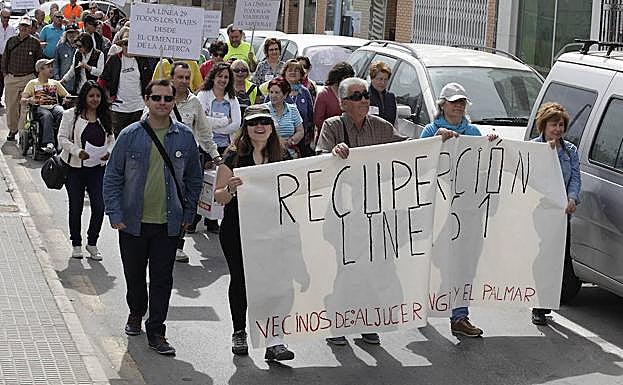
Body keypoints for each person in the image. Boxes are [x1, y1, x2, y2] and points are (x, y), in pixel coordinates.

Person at [103, 79, 203, 355]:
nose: (162, 103)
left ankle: (157, 331)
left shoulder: (184, 137)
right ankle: (136, 311)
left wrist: (189, 213)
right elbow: (112, 176)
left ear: (173, 102)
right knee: (134, 276)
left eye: (167, 99)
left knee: (162, 278)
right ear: (146, 100)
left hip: (169, 224)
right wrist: (115, 213)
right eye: (156, 98)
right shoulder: (129, 135)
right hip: (133, 222)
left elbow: (194, 178)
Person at [316, 77, 404, 346]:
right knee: (345, 269)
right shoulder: (332, 127)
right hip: (342, 214)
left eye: (365, 94)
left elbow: (410, 149)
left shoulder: (381, 127)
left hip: (374, 214)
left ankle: (367, 321)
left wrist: (439, 138)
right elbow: (319, 160)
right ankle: (338, 322)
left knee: (372, 267)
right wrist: (333, 152)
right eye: (356, 96)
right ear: (343, 103)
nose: (364, 99)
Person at [215, 104, 295, 360]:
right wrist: (231, 190)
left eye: (265, 122)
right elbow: (219, 196)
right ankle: (239, 331)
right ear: (246, 128)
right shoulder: (233, 157)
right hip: (237, 229)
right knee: (240, 280)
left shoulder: (284, 157)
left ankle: (273, 340)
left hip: (273, 229)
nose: (259, 127)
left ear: (272, 127)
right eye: (253, 123)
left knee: (272, 283)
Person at [420, 82, 498, 337]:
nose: (458, 106)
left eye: (462, 102)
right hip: (439, 210)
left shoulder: (473, 131)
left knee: (464, 261)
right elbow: (421, 163)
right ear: (443, 104)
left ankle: (460, 316)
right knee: (436, 260)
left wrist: (492, 145)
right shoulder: (430, 130)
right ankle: (424, 304)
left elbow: (483, 164)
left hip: (465, 209)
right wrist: (436, 141)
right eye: (454, 101)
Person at [530, 102, 581, 326]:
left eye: (561, 125)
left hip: (561, 217)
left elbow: (576, 179)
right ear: (544, 125)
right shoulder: (533, 148)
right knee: (542, 258)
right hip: (538, 214)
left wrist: (572, 198)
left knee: (558, 259)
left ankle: (547, 300)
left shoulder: (570, 151)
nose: (557, 129)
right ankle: (539, 305)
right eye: (553, 124)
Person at [168, 61, 222, 262]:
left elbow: (205, 134)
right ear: (172, 78)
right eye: (179, 77)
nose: (183, 81)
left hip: (189, 163)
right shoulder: (162, 98)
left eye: (186, 77)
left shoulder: (195, 102)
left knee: (185, 204)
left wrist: (216, 157)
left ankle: (178, 244)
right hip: (163, 162)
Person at [58, 80, 113, 260]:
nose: (95, 99)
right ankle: (76, 243)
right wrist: (77, 151)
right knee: (76, 207)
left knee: (99, 206)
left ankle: (92, 243)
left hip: (97, 169)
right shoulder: (70, 115)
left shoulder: (105, 116)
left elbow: (112, 139)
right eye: (91, 96)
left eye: (98, 96)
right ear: (84, 97)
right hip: (75, 169)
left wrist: (109, 153)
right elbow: (62, 139)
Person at [195, 62, 241, 233]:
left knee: (216, 184)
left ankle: (212, 220)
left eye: (226, 77)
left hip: (224, 147)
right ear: (213, 77)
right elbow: (201, 122)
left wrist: (212, 122)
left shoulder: (233, 99)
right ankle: (195, 217)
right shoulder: (203, 95)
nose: (222, 80)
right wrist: (223, 121)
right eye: (220, 76)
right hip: (204, 145)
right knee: (199, 183)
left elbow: (236, 124)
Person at [98, 28, 154, 137]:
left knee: (137, 136)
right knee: (119, 137)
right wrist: (106, 97)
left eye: (131, 44)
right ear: (122, 45)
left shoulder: (142, 60)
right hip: (118, 108)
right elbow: (102, 80)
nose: (128, 47)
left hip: (139, 106)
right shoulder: (114, 59)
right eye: (125, 44)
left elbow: (149, 81)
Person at [3, 16, 42, 142]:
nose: (24, 28)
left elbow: (39, 62)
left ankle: (22, 133)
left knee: (25, 107)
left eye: (27, 26)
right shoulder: (11, 41)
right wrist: (5, 75)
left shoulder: (35, 42)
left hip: (28, 78)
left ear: (30, 28)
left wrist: (36, 78)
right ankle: (12, 129)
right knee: (11, 107)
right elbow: (5, 59)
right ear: (19, 27)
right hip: (12, 78)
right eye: (22, 26)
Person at [21, 58, 68, 153]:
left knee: (63, 113)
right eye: (48, 67)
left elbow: (66, 95)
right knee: (47, 115)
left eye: (51, 66)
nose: (51, 69)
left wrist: (67, 98)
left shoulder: (55, 83)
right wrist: (29, 100)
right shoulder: (32, 83)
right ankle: (49, 143)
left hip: (54, 106)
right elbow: (22, 99)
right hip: (40, 107)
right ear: (40, 69)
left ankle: (61, 140)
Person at [313, 62, 354, 145]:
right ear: (337, 78)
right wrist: (333, 132)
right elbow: (318, 120)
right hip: (327, 139)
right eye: (346, 78)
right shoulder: (324, 94)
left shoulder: (350, 93)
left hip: (348, 138)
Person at [280, 59, 314, 157]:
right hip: (280, 141)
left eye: (296, 70)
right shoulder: (277, 89)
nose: (293, 72)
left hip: (301, 141)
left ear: (301, 74)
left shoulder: (305, 92)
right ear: (284, 73)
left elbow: (310, 115)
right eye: (290, 70)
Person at [264, 77, 304, 158]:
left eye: (277, 92)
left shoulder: (293, 109)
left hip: (290, 153)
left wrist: (291, 141)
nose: (273, 95)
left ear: (285, 95)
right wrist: (277, 141)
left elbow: (300, 131)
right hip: (268, 153)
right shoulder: (263, 110)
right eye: (271, 92)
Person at [54, 24, 79, 92]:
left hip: (78, 82)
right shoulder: (60, 46)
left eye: (73, 32)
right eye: (69, 32)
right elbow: (56, 63)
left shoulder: (81, 46)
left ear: (78, 33)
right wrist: (57, 78)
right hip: (64, 82)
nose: (71, 35)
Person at [0, 8, 17, 109]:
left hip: (6, 56)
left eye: (8, 17)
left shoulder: (12, 29)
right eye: (4, 17)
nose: (6, 19)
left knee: (3, 78)